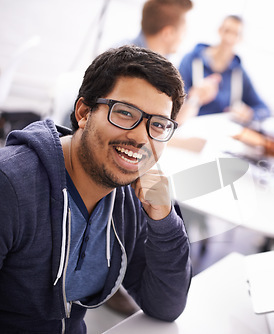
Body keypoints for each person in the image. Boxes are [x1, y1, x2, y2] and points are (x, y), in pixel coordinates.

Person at [0, 45, 192, 332]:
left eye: (159, 124)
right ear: (84, 112)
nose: (141, 137)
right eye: (125, 113)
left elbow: (165, 306)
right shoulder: (11, 186)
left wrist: (165, 222)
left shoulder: (131, 198)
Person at [177, 15, 271, 125]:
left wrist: (249, 114)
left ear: (241, 39)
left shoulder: (239, 73)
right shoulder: (191, 60)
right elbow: (174, 103)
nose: (229, 38)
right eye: (227, 31)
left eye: (236, 34)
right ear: (219, 30)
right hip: (187, 126)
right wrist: (195, 97)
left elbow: (264, 109)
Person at [127, 0, 193, 57]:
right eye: (183, 31)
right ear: (167, 33)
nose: (185, 36)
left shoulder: (168, 62)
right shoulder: (122, 62)